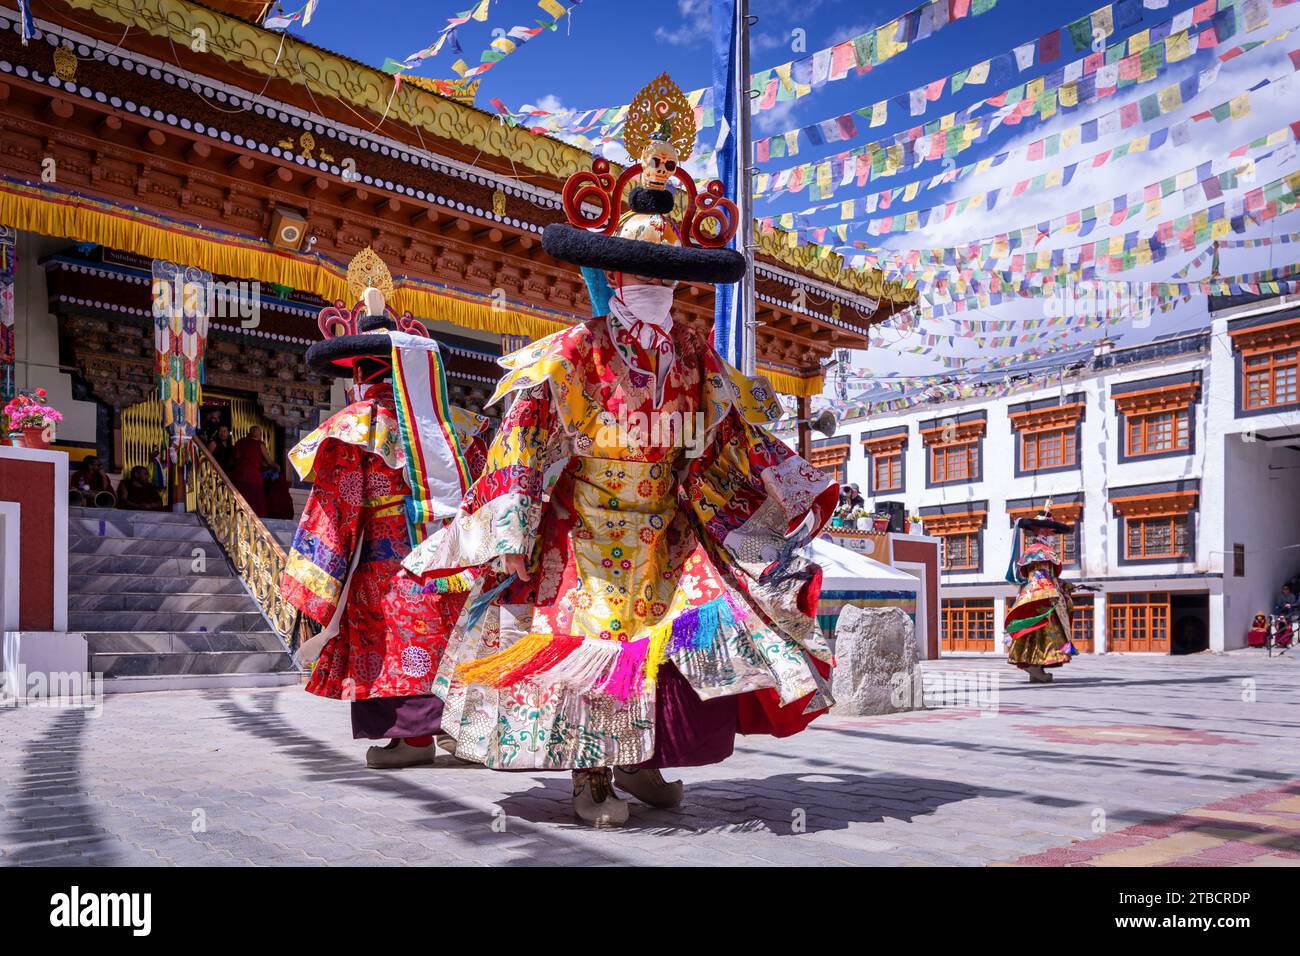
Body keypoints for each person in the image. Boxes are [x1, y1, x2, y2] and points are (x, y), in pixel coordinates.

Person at [397, 73, 837, 827]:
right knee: (594, 643)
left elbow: (732, 434)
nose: (660, 287)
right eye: (646, 274)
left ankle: (643, 759)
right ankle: (591, 775)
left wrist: (783, 493)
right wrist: (509, 525)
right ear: (614, 275)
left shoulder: (698, 355)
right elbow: (525, 432)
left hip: (667, 525)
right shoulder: (575, 351)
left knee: (663, 646)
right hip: (589, 531)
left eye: (674, 277)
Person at [279, 250, 490, 770]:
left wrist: (312, 587)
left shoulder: (355, 429)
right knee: (449, 641)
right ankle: (460, 733)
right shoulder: (455, 426)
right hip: (452, 563)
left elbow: (336, 510)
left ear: (358, 372)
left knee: (396, 643)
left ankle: (410, 738)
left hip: (388, 568)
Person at [1004, 502, 1078, 682]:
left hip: (1040, 593)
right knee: (1041, 631)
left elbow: (1047, 576)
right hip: (1041, 595)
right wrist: (1051, 593)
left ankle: (1037, 669)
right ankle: (1035, 667)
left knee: (1036, 633)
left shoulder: (1039, 551)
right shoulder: (1039, 551)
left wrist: (1064, 586)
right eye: (1052, 532)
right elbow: (1039, 576)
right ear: (1043, 531)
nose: (1053, 535)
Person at [230, 425, 274, 517]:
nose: (257, 433)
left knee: (242, 496)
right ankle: (254, 516)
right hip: (253, 477)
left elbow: (235, 458)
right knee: (254, 498)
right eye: (256, 432)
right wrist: (277, 467)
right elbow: (269, 461)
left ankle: (240, 513)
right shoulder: (259, 444)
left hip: (240, 475)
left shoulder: (240, 442)